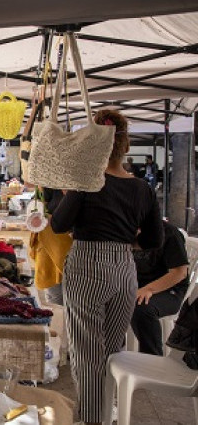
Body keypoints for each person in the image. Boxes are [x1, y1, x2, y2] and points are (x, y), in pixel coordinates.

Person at [51, 110, 163, 425]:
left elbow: (59, 224)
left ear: (93, 144)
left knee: (87, 353)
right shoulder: (142, 188)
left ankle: (92, 420)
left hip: (87, 265)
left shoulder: (87, 181)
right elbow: (155, 239)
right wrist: (126, 236)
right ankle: (107, 411)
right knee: (113, 348)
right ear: (124, 145)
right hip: (124, 268)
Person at [131, 220, 190, 355]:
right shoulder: (125, 228)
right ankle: (114, 354)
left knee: (141, 308)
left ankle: (152, 357)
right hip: (138, 285)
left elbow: (179, 273)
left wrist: (149, 289)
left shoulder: (169, 233)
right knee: (107, 299)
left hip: (170, 289)